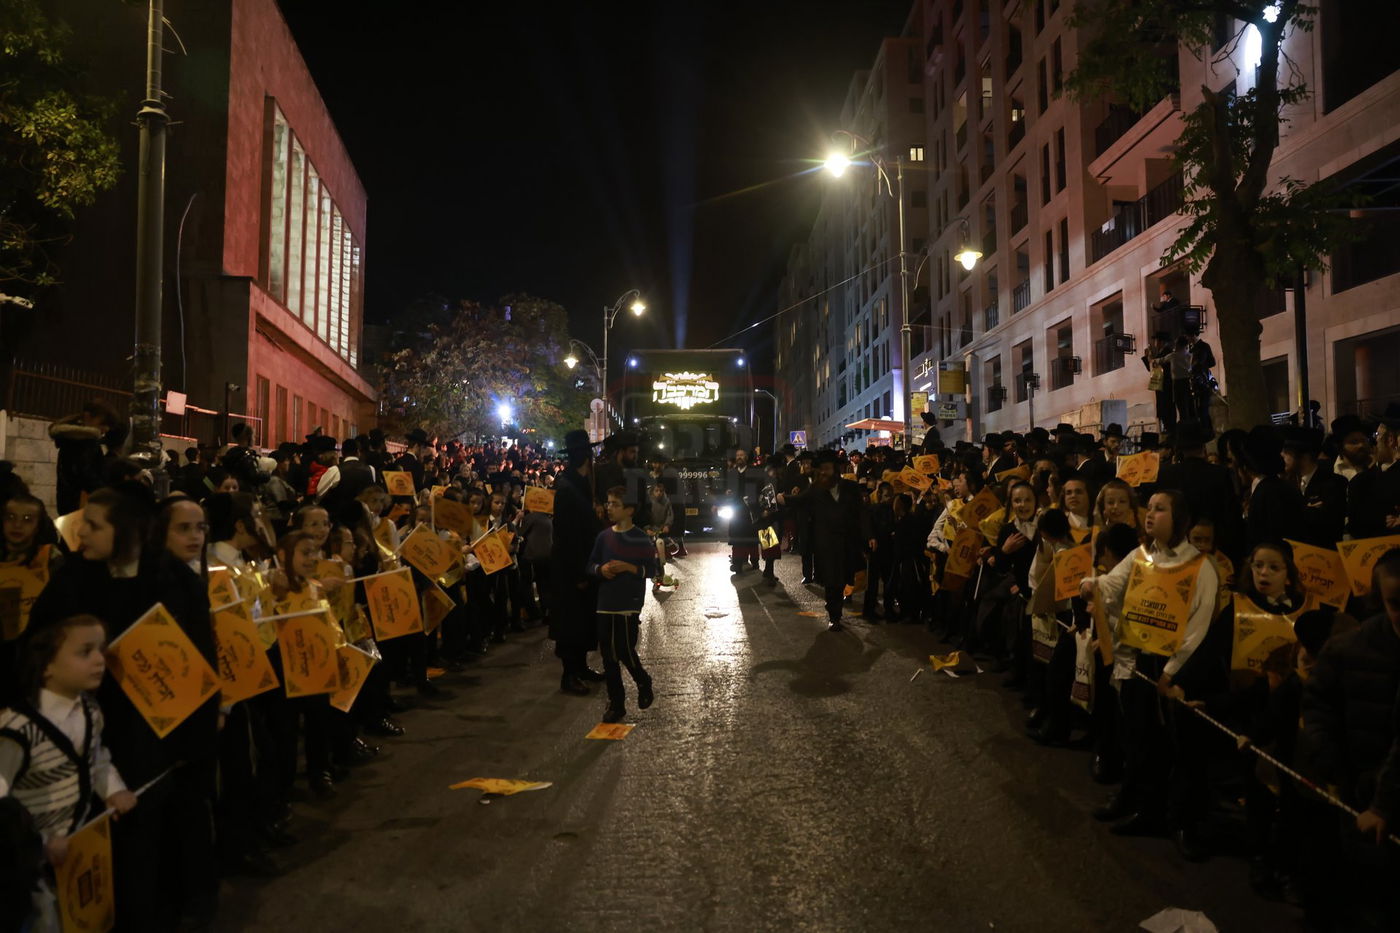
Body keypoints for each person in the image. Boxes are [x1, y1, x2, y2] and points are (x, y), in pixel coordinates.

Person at [0, 614, 138, 930]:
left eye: (101, 650)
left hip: (76, 848)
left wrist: (112, 789)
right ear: (46, 665)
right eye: (84, 652)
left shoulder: (90, 711)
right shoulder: (17, 730)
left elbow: (96, 757)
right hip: (31, 868)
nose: (99, 660)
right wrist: (39, 843)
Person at [1300, 548, 1400, 929]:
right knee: (1360, 894)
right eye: (1395, 604)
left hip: (1388, 796)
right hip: (1357, 791)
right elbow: (1319, 702)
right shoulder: (1350, 648)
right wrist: (1332, 763)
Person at [779, 451, 873, 632]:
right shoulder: (816, 490)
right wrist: (783, 499)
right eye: (821, 470)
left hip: (847, 542)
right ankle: (834, 616)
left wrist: (869, 535)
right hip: (825, 544)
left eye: (827, 469)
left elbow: (862, 513)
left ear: (835, 470)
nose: (823, 473)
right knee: (832, 581)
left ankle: (841, 603)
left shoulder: (851, 488)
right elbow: (800, 500)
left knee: (845, 577)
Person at [587, 486, 658, 723]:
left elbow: (653, 570)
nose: (609, 508)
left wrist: (629, 568)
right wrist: (601, 570)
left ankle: (642, 680)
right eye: (608, 503)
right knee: (608, 655)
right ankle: (616, 703)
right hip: (605, 602)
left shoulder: (640, 538)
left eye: (615, 504)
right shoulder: (603, 536)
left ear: (629, 510)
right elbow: (591, 565)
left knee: (626, 650)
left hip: (629, 602)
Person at [549, 430, 604, 695]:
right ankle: (569, 675)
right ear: (586, 457)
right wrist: (579, 573)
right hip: (572, 568)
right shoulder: (568, 488)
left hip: (583, 563)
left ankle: (581, 668)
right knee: (571, 625)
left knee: (583, 622)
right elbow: (567, 536)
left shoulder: (578, 484)